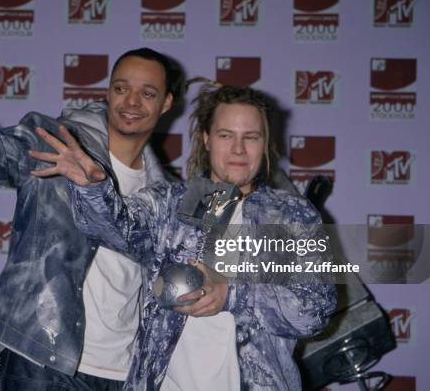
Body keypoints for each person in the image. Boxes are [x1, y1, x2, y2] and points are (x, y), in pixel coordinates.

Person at [33, 84, 337, 390]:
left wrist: (232, 294)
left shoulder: (293, 216)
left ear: (265, 142)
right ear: (206, 138)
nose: (238, 149)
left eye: (251, 137)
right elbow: (116, 229)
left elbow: (316, 310)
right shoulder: (172, 204)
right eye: (225, 135)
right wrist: (92, 190)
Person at [0, 48, 176, 390]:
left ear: (167, 103)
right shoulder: (57, 141)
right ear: (108, 92)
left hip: (121, 371)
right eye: (121, 88)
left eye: (148, 93)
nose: (132, 101)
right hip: (40, 359)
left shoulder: (164, 192)